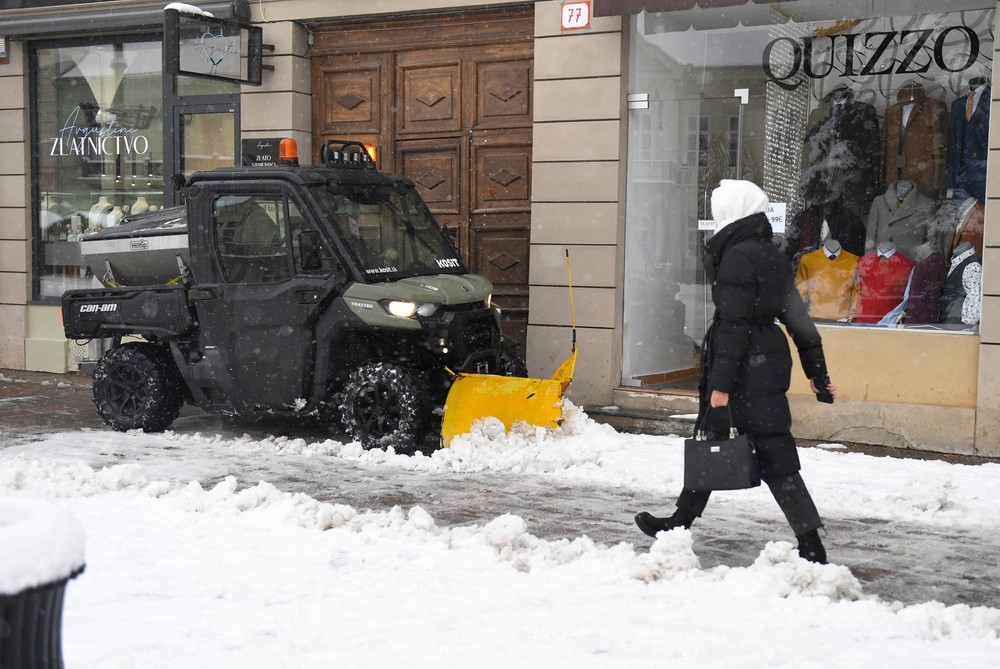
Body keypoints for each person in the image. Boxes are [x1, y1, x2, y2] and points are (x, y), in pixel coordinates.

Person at [635, 180, 837, 564]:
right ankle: (683, 522)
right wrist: (817, 372)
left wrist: (721, 385)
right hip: (768, 362)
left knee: (734, 443)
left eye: (719, 208)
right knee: (753, 448)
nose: (715, 216)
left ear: (732, 212)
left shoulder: (736, 257)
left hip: (745, 367)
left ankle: (808, 542)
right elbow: (797, 317)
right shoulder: (771, 254)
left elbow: (734, 324)